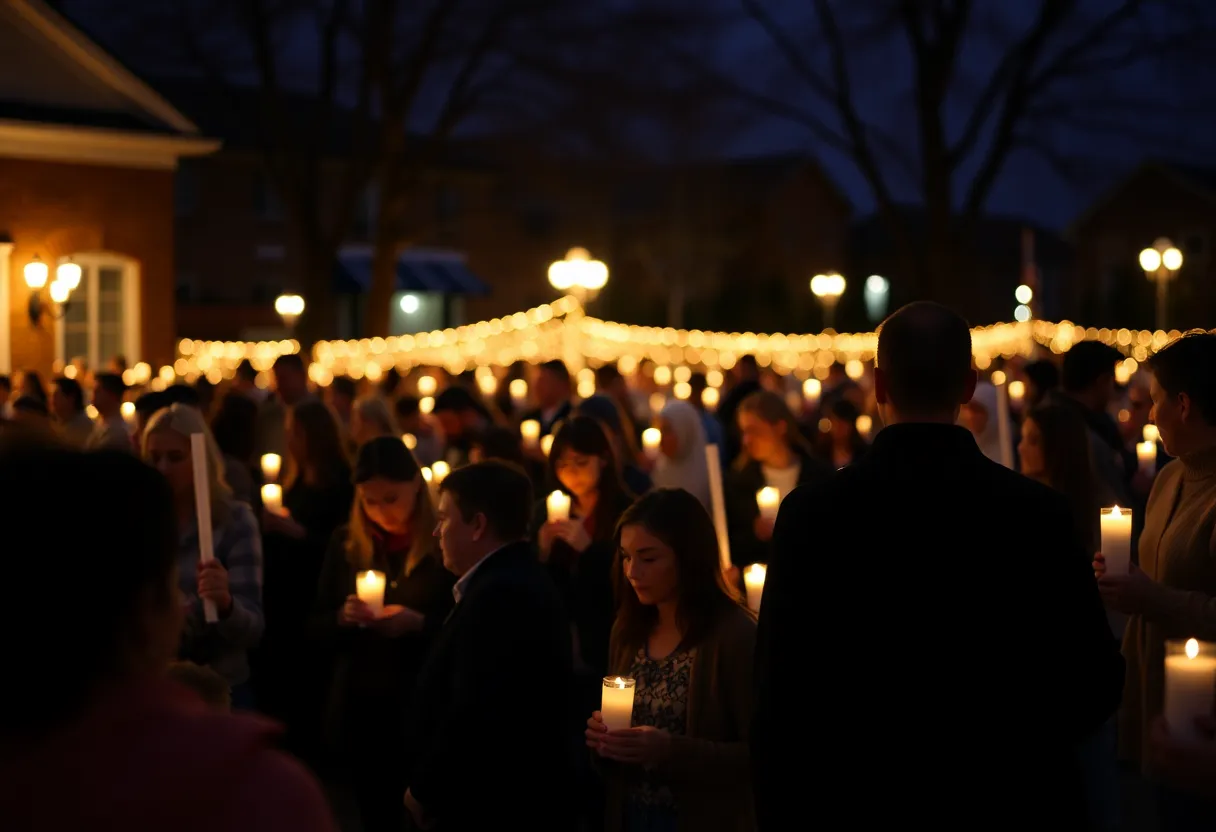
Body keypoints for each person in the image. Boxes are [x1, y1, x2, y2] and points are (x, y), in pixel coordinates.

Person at [753, 302, 1123, 829]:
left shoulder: (813, 515)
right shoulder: (1036, 515)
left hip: (853, 800)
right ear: (969, 386)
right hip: (1008, 799)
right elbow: (1093, 683)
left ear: (879, 385)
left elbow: (779, 695)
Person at [0, 441, 334, 831]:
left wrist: (226, 605)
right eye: (173, 584)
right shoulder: (259, 793)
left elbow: (251, 625)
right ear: (151, 606)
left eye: (174, 457)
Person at [405, 461, 574, 831]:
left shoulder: (501, 594)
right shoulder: (508, 579)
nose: (436, 531)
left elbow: (474, 711)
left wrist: (424, 789)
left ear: (478, 525)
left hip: (490, 804)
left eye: (444, 519)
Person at [1095, 332, 1216, 830]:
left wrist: (1153, 597)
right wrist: (1126, 579)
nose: (1148, 414)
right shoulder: (1169, 477)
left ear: (1183, 405)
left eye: (1156, 400)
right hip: (1146, 704)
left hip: (1201, 731)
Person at [585, 488, 756, 832]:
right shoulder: (628, 630)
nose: (632, 572)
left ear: (688, 558)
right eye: (626, 557)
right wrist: (604, 740)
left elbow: (759, 756)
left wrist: (670, 750)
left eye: (648, 559)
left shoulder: (734, 635)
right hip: (631, 815)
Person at [311, 437, 454, 832]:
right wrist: (342, 617)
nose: (380, 511)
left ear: (416, 485)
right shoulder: (347, 543)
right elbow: (314, 626)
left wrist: (418, 623)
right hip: (364, 706)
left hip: (422, 706)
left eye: (391, 498)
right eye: (369, 501)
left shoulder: (443, 545)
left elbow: (463, 627)